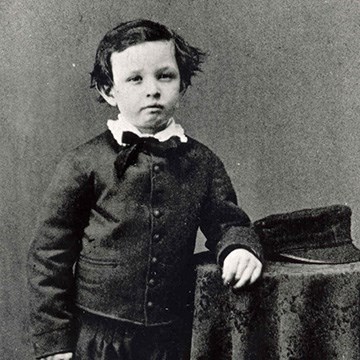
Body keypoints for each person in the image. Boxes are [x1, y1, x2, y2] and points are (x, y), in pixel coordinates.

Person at [27, 19, 263, 360]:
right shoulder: (83, 162)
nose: (152, 89)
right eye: (135, 79)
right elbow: (49, 255)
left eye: (165, 76)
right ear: (110, 91)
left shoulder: (202, 161)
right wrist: (55, 341)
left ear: (182, 87)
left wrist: (239, 249)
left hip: (172, 337)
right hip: (97, 337)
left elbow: (228, 222)